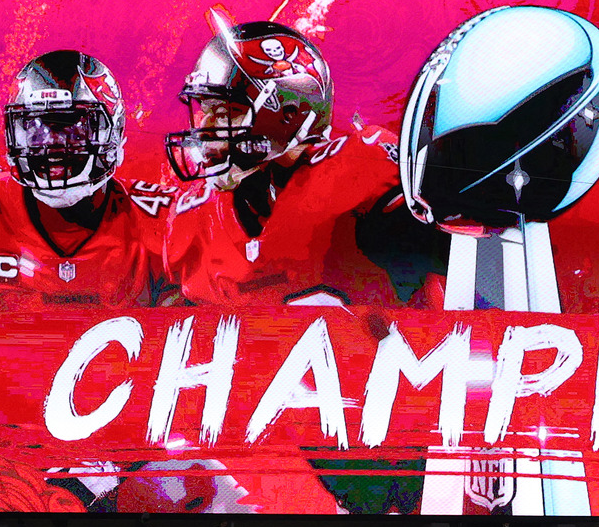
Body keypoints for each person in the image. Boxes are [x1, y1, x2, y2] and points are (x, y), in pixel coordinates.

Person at [163, 17, 446, 309]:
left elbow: (457, 260)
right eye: (204, 109)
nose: (204, 127)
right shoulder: (194, 218)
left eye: (223, 112)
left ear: (287, 114)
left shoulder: (356, 173)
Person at [0, 51, 180, 371]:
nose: (51, 147)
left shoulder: (160, 221)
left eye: (70, 127)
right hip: (6, 400)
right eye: (36, 128)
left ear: (112, 132)